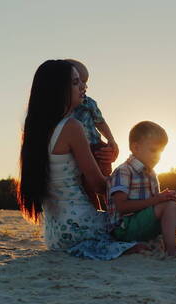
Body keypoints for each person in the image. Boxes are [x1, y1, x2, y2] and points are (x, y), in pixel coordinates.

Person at [17, 60, 140, 260]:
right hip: (80, 227)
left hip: (55, 235)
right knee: (151, 223)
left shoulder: (36, 130)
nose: (83, 87)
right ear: (59, 89)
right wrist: (128, 181)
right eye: (75, 83)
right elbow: (98, 185)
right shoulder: (72, 127)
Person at [107, 121, 176, 258]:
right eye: (153, 150)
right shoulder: (124, 171)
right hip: (124, 228)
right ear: (136, 148)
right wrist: (159, 199)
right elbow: (121, 207)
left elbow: (155, 205)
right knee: (169, 206)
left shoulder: (151, 174)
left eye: (161, 151)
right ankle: (171, 250)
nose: (157, 156)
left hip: (143, 224)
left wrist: (164, 198)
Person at [65, 59, 118, 211]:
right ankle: (96, 211)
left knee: (105, 181)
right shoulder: (63, 111)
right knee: (86, 185)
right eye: (78, 81)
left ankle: (112, 211)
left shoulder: (89, 103)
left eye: (85, 82)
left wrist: (111, 139)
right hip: (78, 150)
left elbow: (100, 122)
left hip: (96, 147)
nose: (85, 86)